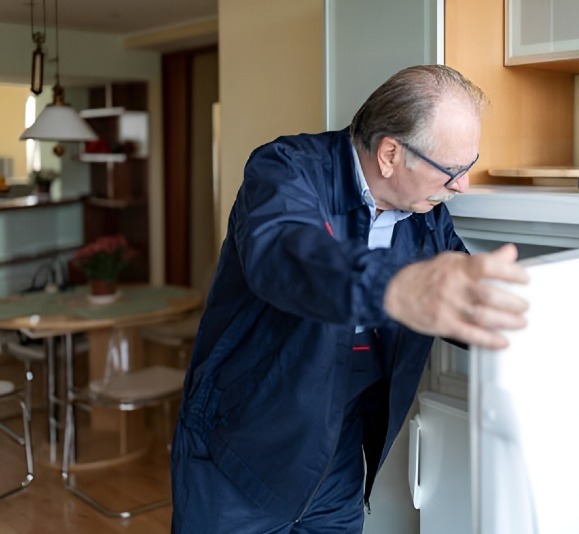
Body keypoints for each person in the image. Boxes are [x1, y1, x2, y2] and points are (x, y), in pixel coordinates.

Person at [170, 64, 531, 534]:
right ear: (389, 155)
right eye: (452, 170)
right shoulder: (285, 170)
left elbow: (465, 301)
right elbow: (287, 256)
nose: (461, 185)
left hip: (334, 456)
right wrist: (395, 288)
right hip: (238, 452)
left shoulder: (426, 216)